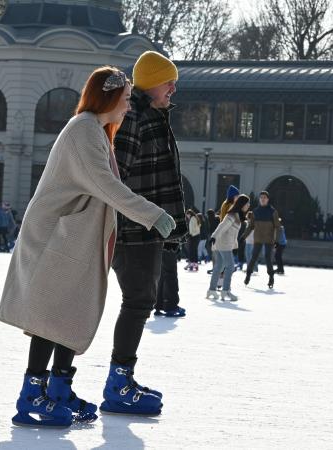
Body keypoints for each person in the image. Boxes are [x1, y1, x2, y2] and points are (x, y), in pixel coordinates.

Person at [0, 67, 174, 428]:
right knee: (50, 316)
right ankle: (32, 394)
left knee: (70, 313)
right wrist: (153, 215)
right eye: (125, 100)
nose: (128, 107)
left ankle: (59, 388)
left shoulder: (97, 130)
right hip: (56, 237)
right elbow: (107, 186)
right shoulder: (83, 130)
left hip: (75, 236)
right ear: (109, 99)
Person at [108, 51, 188, 416]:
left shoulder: (152, 116)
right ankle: (118, 381)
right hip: (133, 231)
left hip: (148, 229)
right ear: (151, 82)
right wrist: (141, 219)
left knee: (142, 301)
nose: (174, 87)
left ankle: (121, 377)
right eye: (168, 80)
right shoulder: (135, 118)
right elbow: (115, 179)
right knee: (139, 301)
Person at [207, 194, 250, 301]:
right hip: (223, 244)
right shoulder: (231, 215)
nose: (248, 205)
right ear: (242, 204)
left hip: (225, 243)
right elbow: (222, 226)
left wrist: (235, 246)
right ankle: (225, 291)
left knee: (219, 267)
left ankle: (211, 290)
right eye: (247, 203)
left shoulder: (238, 215)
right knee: (230, 266)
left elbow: (233, 234)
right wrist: (213, 237)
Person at [244, 191, 280, 289]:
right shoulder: (255, 211)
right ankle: (248, 275)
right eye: (261, 197)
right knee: (254, 257)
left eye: (264, 197)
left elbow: (277, 226)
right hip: (258, 238)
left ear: (268, 199)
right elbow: (251, 226)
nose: (262, 199)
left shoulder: (273, 211)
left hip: (269, 238)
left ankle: (271, 277)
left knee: (268, 257)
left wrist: (276, 240)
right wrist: (243, 236)